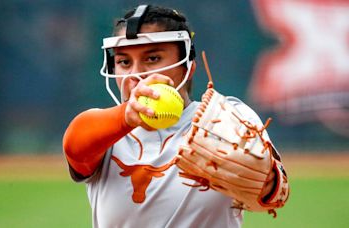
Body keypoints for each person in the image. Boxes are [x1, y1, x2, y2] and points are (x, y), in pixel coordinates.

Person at [63, 4, 288, 227]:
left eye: (152, 59)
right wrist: (127, 117)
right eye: (124, 62)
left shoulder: (226, 119)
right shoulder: (104, 133)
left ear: (188, 67)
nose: (136, 75)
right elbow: (75, 145)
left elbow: (275, 195)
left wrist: (267, 184)